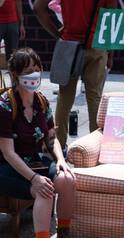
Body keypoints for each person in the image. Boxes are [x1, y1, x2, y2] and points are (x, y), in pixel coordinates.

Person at [0, 47, 80, 238]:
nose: (34, 74)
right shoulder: (4, 106)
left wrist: (60, 160)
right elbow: (9, 154)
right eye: (28, 70)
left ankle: (64, 234)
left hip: (33, 161)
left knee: (67, 179)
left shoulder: (41, 101)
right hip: (1, 168)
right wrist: (34, 178)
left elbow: (51, 138)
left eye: (37, 69)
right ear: (15, 75)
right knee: (44, 189)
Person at [34, 0, 109, 149]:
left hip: (69, 45)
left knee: (65, 97)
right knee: (94, 97)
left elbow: (37, 8)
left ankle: (58, 145)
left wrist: (57, 34)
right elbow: (111, 16)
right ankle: (95, 147)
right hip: (97, 43)